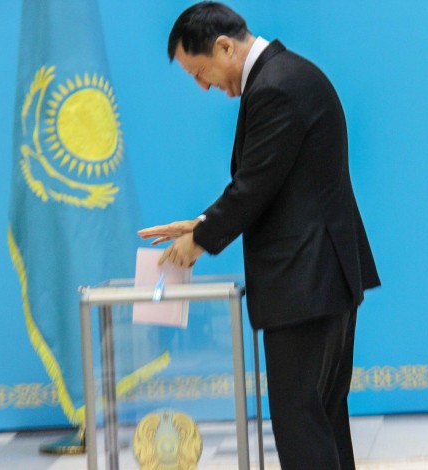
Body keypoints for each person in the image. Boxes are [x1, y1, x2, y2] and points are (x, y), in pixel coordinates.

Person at [138, 2, 380, 469]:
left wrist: (199, 241)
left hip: (305, 284)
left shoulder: (275, 87)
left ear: (224, 47)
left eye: (199, 72)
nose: (203, 85)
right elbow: (275, 184)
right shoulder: (289, 75)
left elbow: (254, 187)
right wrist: (200, 224)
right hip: (323, 279)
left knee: (301, 422)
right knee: (321, 418)